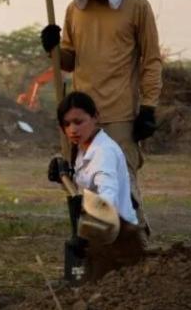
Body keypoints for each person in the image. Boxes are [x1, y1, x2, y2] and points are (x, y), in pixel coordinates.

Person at [41, 0, 162, 235]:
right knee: (88, 186)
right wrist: (52, 48)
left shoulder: (136, 7)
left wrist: (148, 107)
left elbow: (152, 59)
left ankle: (136, 245)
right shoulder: (75, 12)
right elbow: (68, 62)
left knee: (123, 184)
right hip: (82, 117)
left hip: (120, 115)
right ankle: (100, 250)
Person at [49, 91, 147, 280]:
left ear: (95, 117)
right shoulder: (82, 148)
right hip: (102, 236)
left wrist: (86, 233)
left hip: (119, 239)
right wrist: (63, 175)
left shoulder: (103, 152)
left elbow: (106, 193)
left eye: (79, 122)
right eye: (66, 124)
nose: (72, 130)